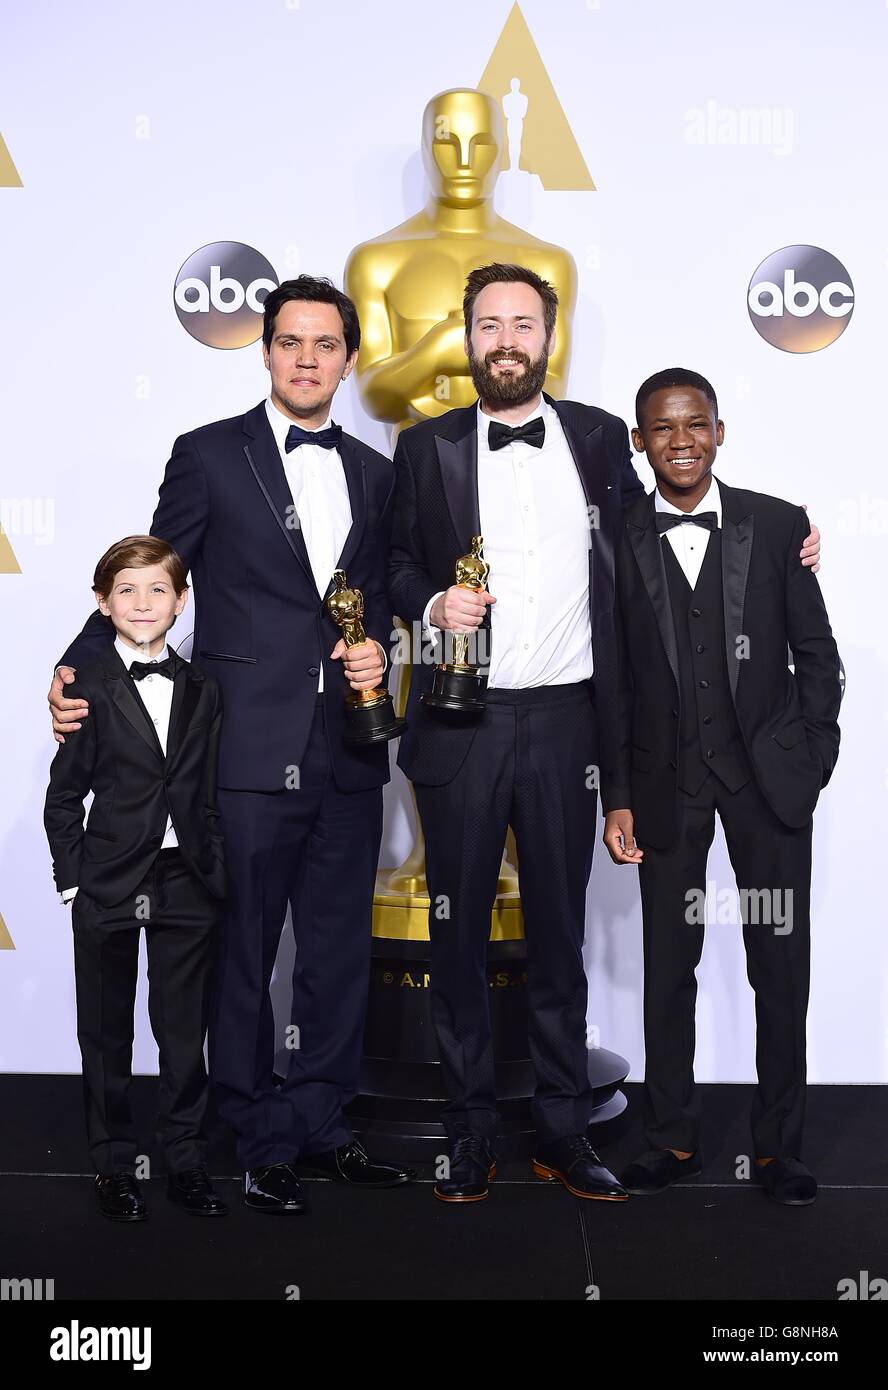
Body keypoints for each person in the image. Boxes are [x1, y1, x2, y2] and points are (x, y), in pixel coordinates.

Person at [48, 276, 413, 1213]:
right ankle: (254, 1135)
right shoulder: (209, 455)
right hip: (243, 754)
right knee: (244, 952)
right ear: (265, 351)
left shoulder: (378, 476)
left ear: (349, 357)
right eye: (289, 342)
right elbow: (149, 574)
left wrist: (374, 646)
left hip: (349, 751)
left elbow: (369, 598)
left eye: (325, 345)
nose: (305, 359)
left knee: (335, 953)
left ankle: (323, 1125)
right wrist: (76, 672)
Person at [602, 368, 841, 1206]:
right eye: (662, 429)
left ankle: (779, 1148)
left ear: (719, 431)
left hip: (767, 784)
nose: (680, 441)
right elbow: (616, 685)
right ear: (640, 441)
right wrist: (618, 795)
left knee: (780, 966)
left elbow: (819, 657)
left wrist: (809, 760)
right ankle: (670, 1138)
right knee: (669, 967)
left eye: (694, 424)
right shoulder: (617, 535)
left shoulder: (776, 527)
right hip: (668, 786)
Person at [44, 536, 228, 1221]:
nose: (143, 603)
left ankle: (185, 1162)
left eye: (158, 590)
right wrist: (74, 884)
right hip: (109, 884)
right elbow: (63, 798)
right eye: (126, 590)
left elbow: (207, 788)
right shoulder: (84, 689)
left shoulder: (206, 691)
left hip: (187, 881)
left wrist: (216, 867)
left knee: (184, 1034)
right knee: (106, 1031)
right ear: (102, 604)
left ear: (182, 602)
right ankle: (113, 1165)